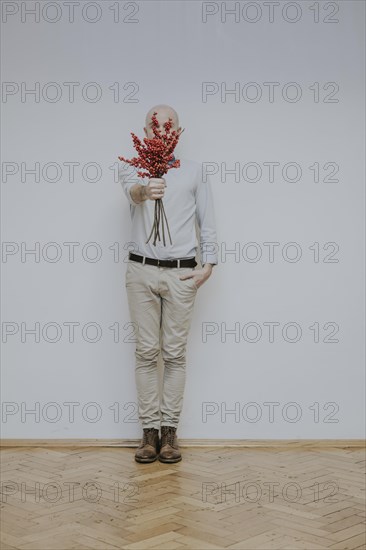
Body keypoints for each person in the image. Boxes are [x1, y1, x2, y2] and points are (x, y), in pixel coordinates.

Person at [119, 104, 218, 463]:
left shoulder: (193, 171)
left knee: (174, 354)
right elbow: (132, 193)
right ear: (144, 131)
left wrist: (209, 265)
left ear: (178, 131)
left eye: (168, 125)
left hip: (182, 273)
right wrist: (147, 190)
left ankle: (169, 434)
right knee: (146, 353)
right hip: (141, 271)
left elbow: (206, 220)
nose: (161, 130)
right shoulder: (132, 168)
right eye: (154, 125)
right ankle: (148, 434)